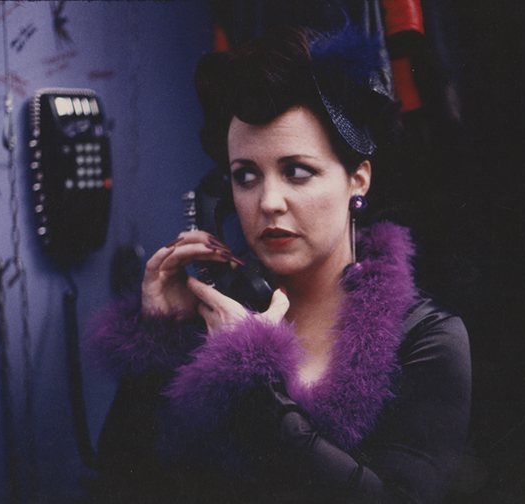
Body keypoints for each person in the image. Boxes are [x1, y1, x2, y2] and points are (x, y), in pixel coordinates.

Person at [89, 24, 471, 504]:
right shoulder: (213, 316)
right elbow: (119, 482)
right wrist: (161, 336)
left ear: (358, 179)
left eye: (297, 171)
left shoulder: (428, 338)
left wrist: (255, 383)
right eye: (246, 176)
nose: (268, 201)